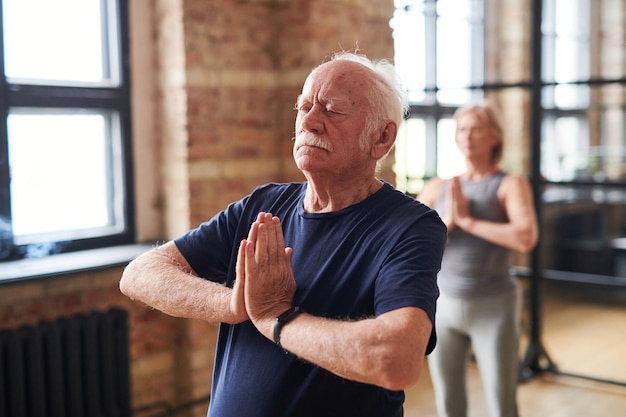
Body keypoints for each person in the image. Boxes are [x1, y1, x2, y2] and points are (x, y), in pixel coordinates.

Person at [120, 51, 447, 417]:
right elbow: (138, 274)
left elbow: (395, 359)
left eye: (332, 109)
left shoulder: (409, 226)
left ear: (382, 138)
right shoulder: (263, 204)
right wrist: (234, 304)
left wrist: (278, 319)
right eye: (303, 106)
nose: (309, 122)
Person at [417, 100, 539, 417]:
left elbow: (526, 237)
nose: (467, 136)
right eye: (462, 129)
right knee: (448, 403)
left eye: (476, 128)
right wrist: (449, 222)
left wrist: (470, 222)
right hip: (442, 306)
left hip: (494, 306)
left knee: (501, 404)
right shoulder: (439, 186)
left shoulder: (509, 184)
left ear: (494, 137)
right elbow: (410, 240)